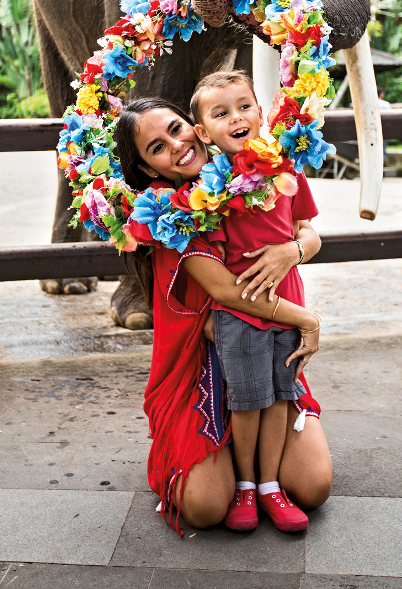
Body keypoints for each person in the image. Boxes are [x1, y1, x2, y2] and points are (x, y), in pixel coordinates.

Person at [114, 97, 332, 534]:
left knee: (313, 487)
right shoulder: (166, 211)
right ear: (151, 169)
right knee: (205, 508)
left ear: (195, 127)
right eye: (156, 148)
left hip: (266, 341)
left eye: (176, 129)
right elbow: (227, 291)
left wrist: (294, 249)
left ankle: (258, 474)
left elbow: (304, 226)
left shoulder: (249, 167)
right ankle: (217, 463)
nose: (175, 146)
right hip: (202, 366)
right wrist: (306, 320)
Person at [190, 69, 321, 532]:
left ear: (261, 112)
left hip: (287, 305)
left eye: (244, 106)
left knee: (281, 398)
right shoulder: (207, 192)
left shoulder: (286, 167)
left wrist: (295, 250)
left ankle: (270, 486)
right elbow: (211, 266)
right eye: (221, 113)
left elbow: (308, 229)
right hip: (239, 314)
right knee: (246, 401)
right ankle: (245, 483)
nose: (237, 117)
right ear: (204, 133)